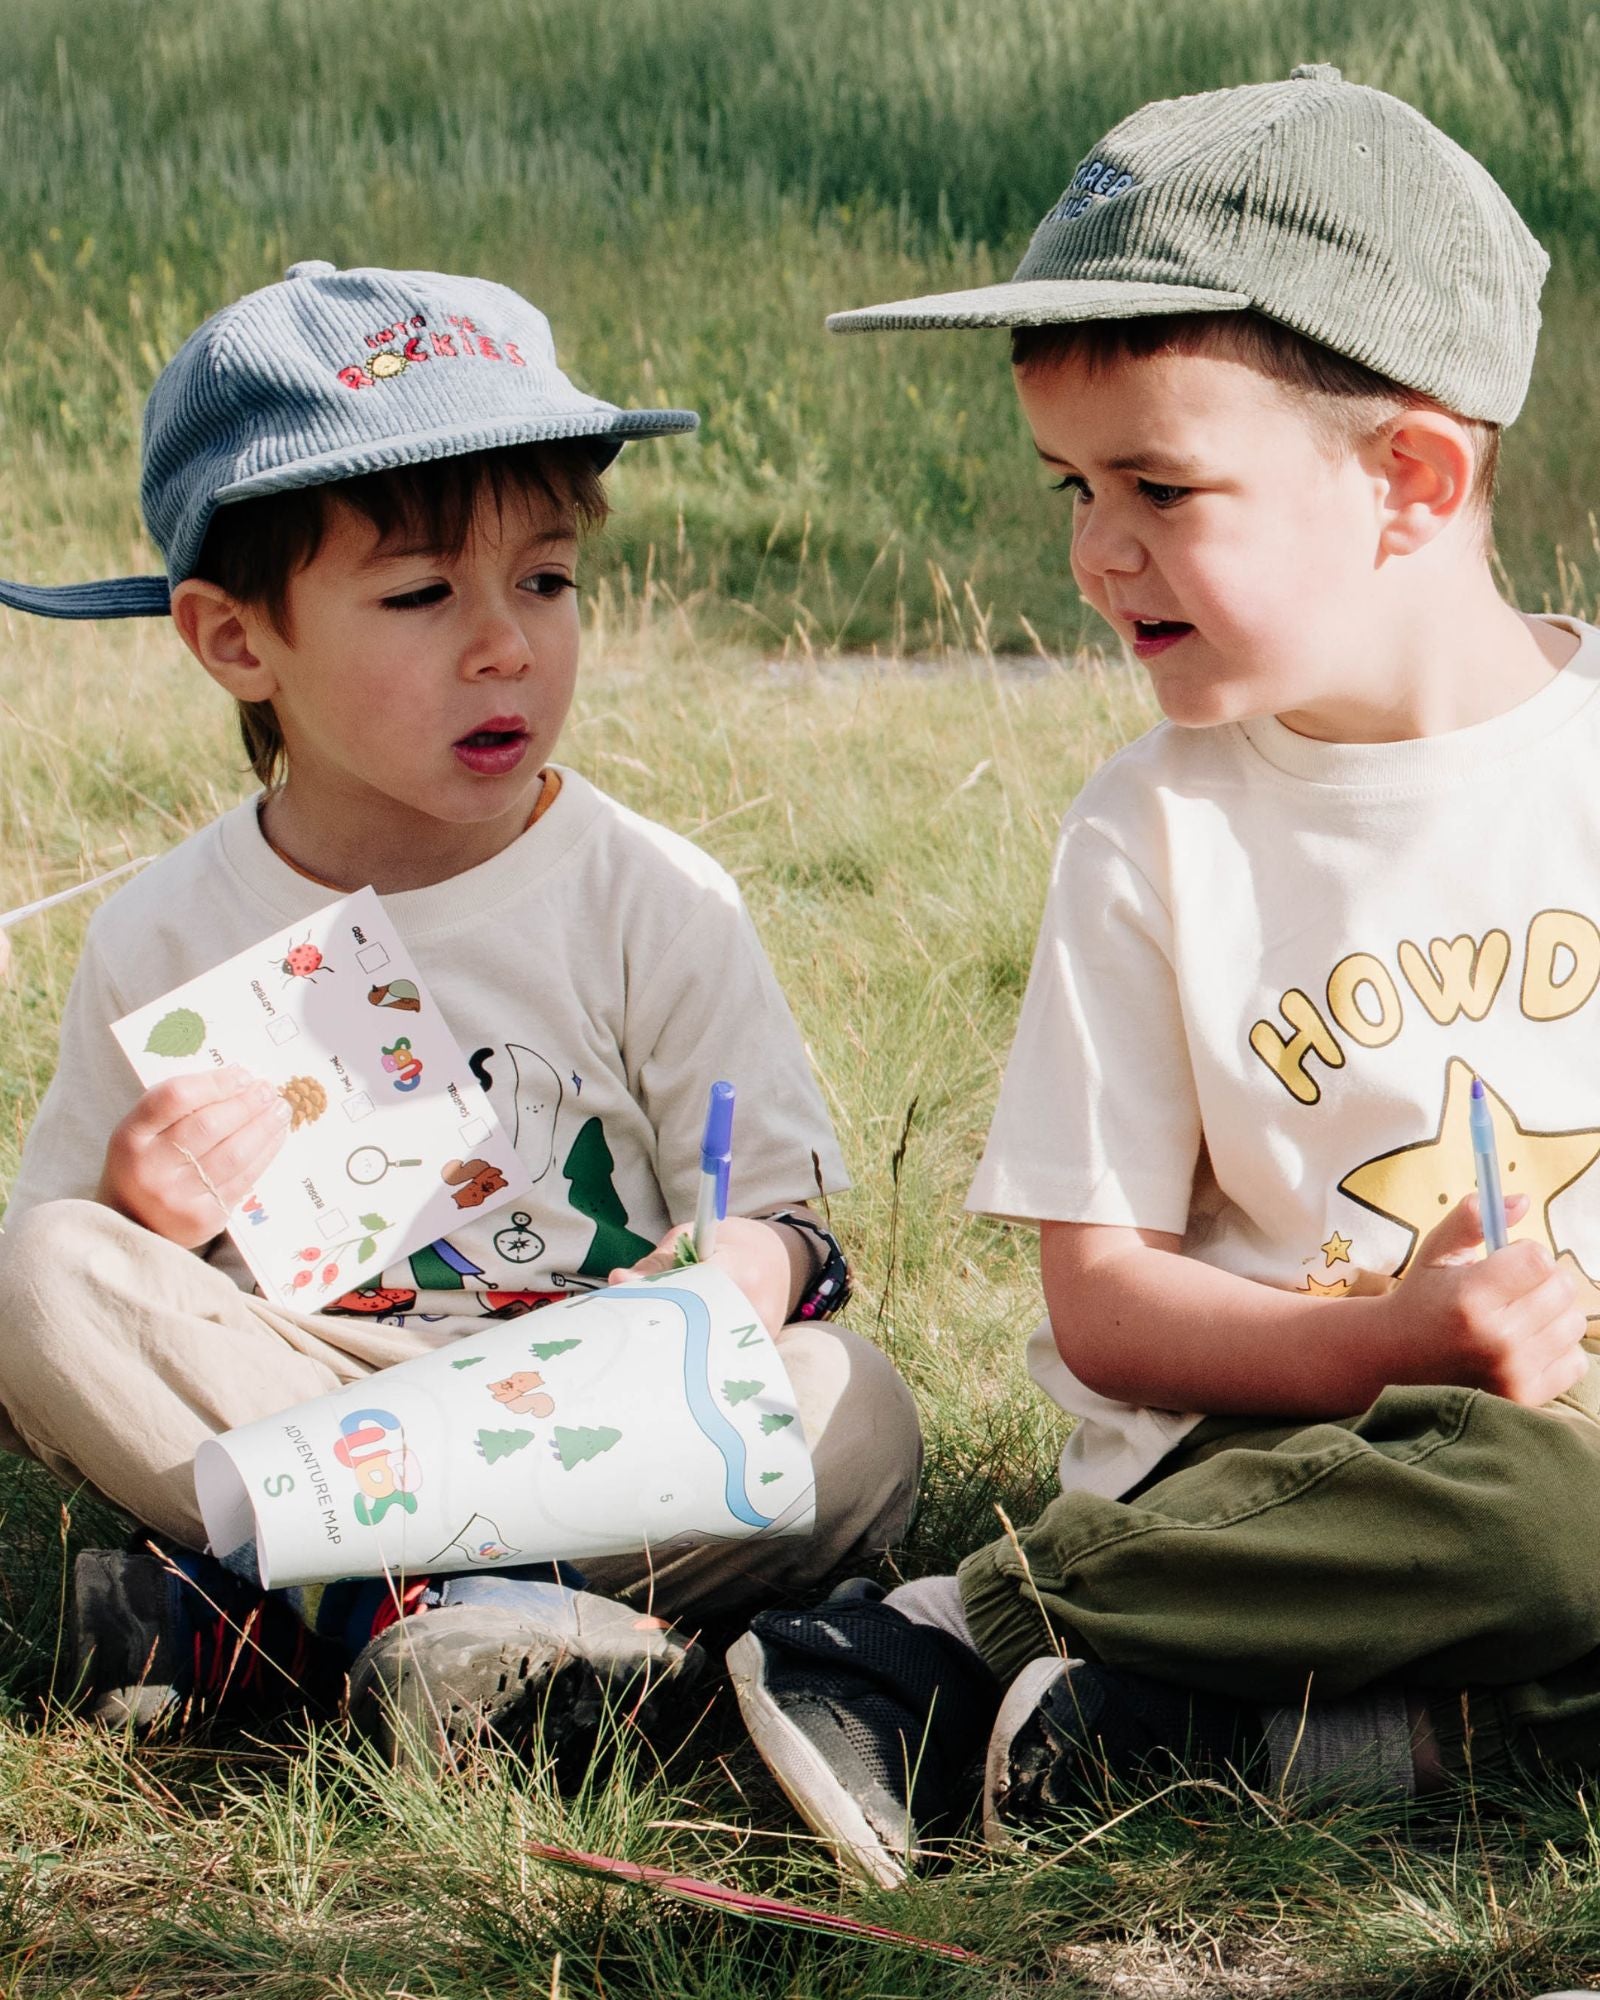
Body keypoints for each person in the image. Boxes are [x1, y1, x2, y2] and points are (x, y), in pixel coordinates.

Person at [726, 64, 1600, 1887]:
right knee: (1549, 1525)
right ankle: (955, 1632)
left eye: (1159, 485)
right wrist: (1401, 1339)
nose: (1092, 552)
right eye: (1072, 486)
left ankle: (1191, 1737)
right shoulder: (1158, 834)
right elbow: (1108, 1306)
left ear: (1412, 479)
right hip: (1292, 1456)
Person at [0, 260, 921, 1765]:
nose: (506, 644)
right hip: (317, 1394)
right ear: (239, 641)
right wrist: (141, 1209)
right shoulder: (160, 931)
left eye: (545, 580)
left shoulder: (653, 897)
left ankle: (259, 1625)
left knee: (852, 1414)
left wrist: (740, 1267)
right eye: (424, 593)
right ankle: (476, 1636)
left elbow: (797, 1231)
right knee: (42, 1273)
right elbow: (44, 1335)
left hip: (586, 1405)